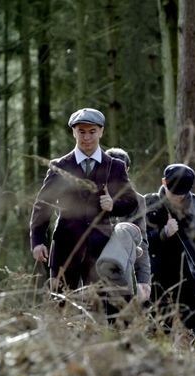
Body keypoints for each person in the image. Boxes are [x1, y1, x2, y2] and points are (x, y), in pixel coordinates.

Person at [29, 108, 137, 293]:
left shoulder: (115, 166)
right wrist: (38, 240)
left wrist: (113, 206)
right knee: (62, 306)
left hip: (101, 251)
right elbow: (43, 205)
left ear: (101, 131)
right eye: (82, 132)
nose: (87, 137)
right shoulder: (59, 166)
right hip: (65, 248)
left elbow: (132, 202)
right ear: (74, 132)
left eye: (92, 132)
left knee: (99, 308)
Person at [144, 163, 195, 341]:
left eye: (182, 195)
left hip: (192, 282)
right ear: (163, 182)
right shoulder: (148, 203)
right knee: (159, 336)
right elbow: (139, 242)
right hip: (158, 282)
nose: (178, 199)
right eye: (173, 195)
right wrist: (163, 234)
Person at [104, 147, 152, 303]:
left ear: (127, 170)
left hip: (122, 269)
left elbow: (141, 239)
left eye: (121, 170)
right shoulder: (90, 194)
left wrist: (144, 280)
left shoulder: (137, 200)